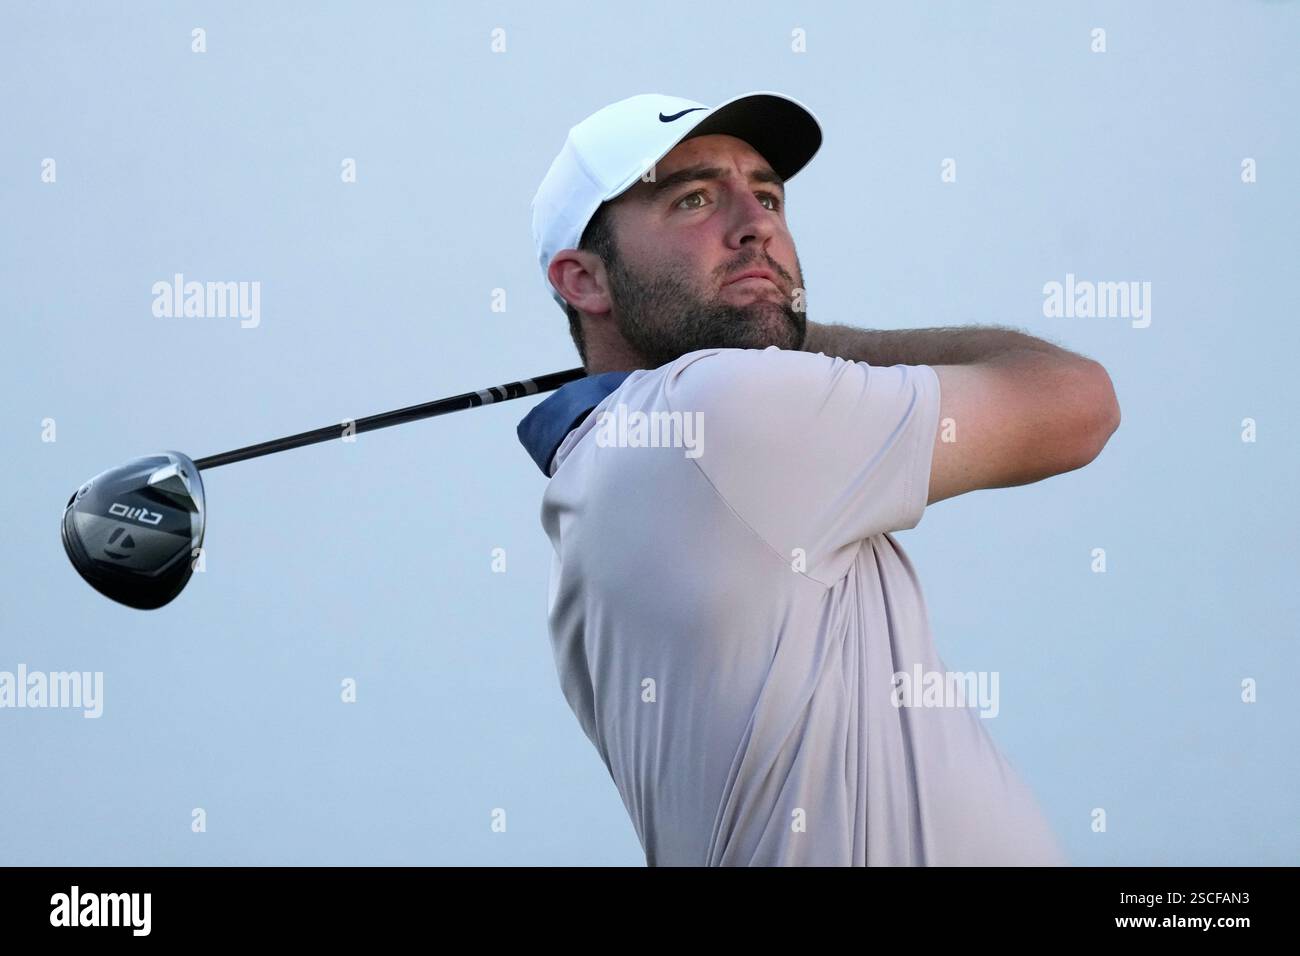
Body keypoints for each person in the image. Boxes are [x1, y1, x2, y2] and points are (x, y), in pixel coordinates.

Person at [519, 91, 1120, 866]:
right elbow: (1079, 402)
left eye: (766, 195)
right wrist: (808, 337)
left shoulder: (614, 463)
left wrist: (773, 332)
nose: (756, 223)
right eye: (693, 198)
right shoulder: (715, 411)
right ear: (585, 281)